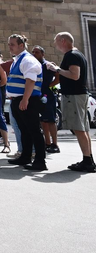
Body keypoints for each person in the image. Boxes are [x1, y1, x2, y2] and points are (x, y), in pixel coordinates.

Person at [46, 31, 95, 172]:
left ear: (63, 41)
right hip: (79, 95)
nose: (55, 45)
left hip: (74, 96)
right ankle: (88, 159)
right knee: (82, 128)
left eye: (56, 42)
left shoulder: (71, 55)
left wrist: (57, 69)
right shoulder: (77, 54)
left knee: (79, 128)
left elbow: (74, 75)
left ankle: (87, 161)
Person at [4, 34, 46, 172]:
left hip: (27, 101)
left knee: (34, 130)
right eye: (9, 44)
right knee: (24, 131)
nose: (9, 47)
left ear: (21, 45)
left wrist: (25, 99)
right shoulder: (18, 60)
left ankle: (40, 161)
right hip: (19, 100)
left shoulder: (28, 60)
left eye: (12, 44)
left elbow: (31, 81)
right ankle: (26, 156)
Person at [29, 45, 59, 154]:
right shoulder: (32, 65)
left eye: (37, 52)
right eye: (33, 52)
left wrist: (50, 85)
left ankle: (55, 144)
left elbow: (58, 75)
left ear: (42, 54)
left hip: (48, 96)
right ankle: (47, 143)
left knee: (50, 120)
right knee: (43, 121)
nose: (34, 54)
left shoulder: (48, 65)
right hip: (37, 94)